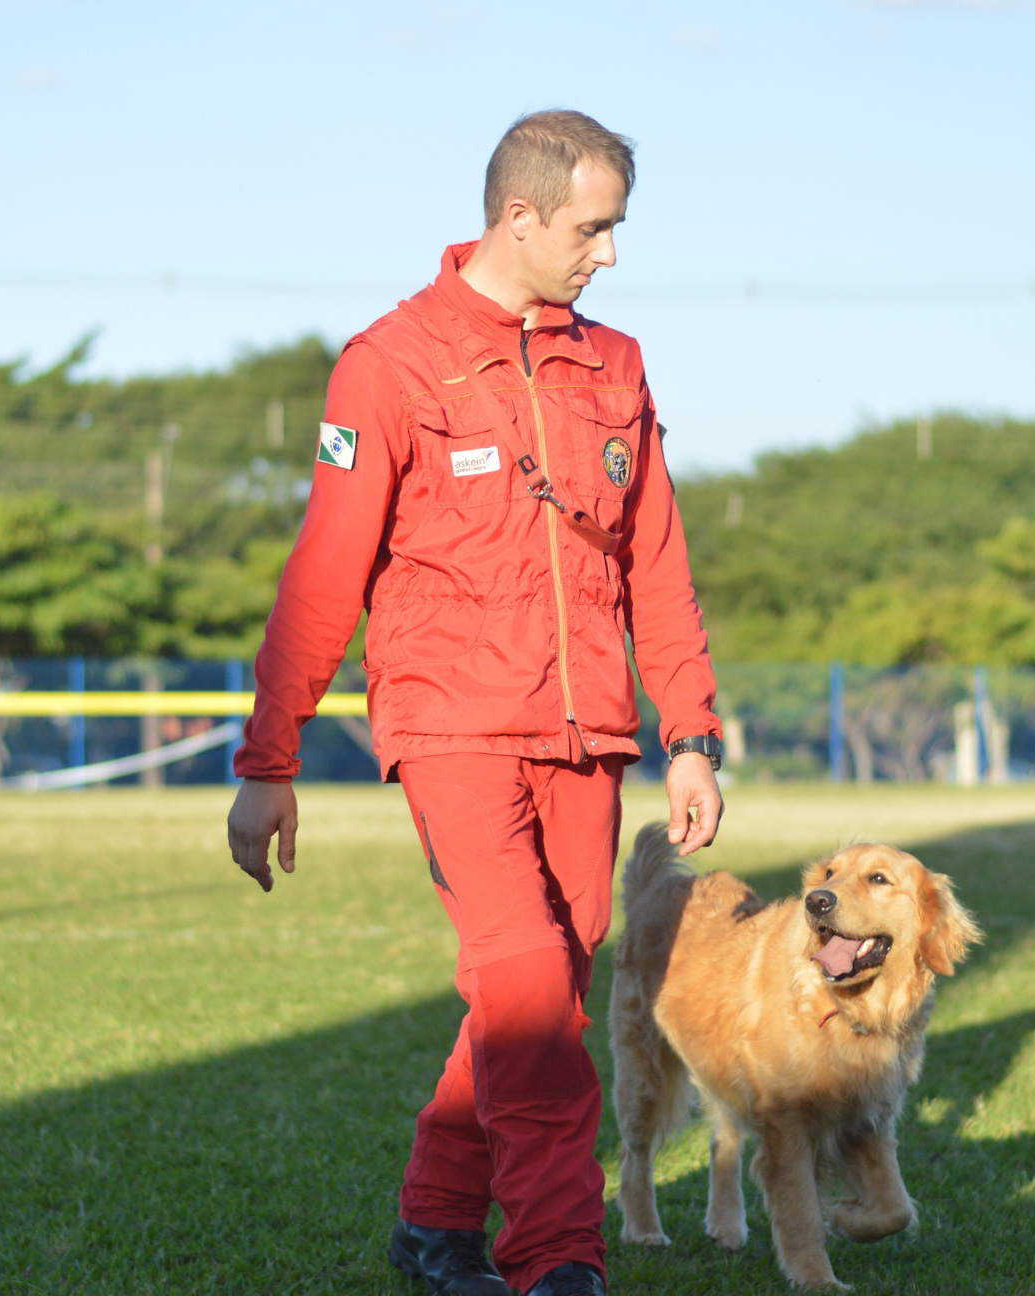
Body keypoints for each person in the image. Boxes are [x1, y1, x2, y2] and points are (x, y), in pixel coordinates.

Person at [226, 110, 724, 1296]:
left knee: (536, 988)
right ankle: (558, 1260)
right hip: (449, 727)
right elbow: (322, 574)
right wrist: (268, 760)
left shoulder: (618, 366)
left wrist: (691, 734)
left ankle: (435, 1220)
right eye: (594, 229)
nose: (608, 255)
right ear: (521, 216)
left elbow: (657, 560)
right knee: (532, 1000)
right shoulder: (388, 363)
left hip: (589, 733)